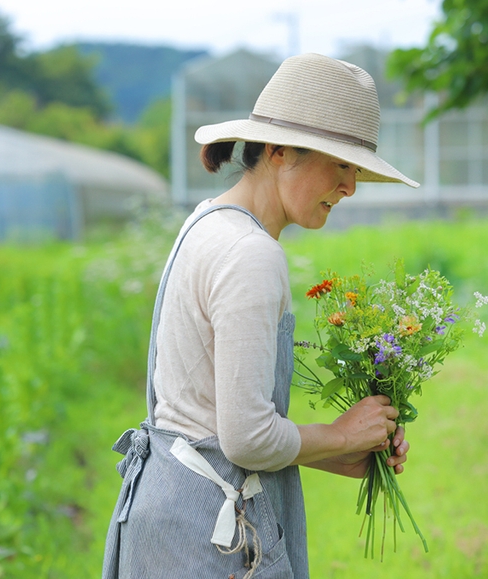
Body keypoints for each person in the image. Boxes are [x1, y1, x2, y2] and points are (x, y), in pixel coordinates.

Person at [102, 53, 420, 579]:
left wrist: (339, 453)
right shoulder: (251, 252)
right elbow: (246, 438)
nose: (351, 187)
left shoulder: (208, 223)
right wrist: (340, 434)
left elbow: (208, 417)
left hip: (170, 506)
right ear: (277, 151)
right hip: (207, 535)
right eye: (339, 164)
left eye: (355, 168)